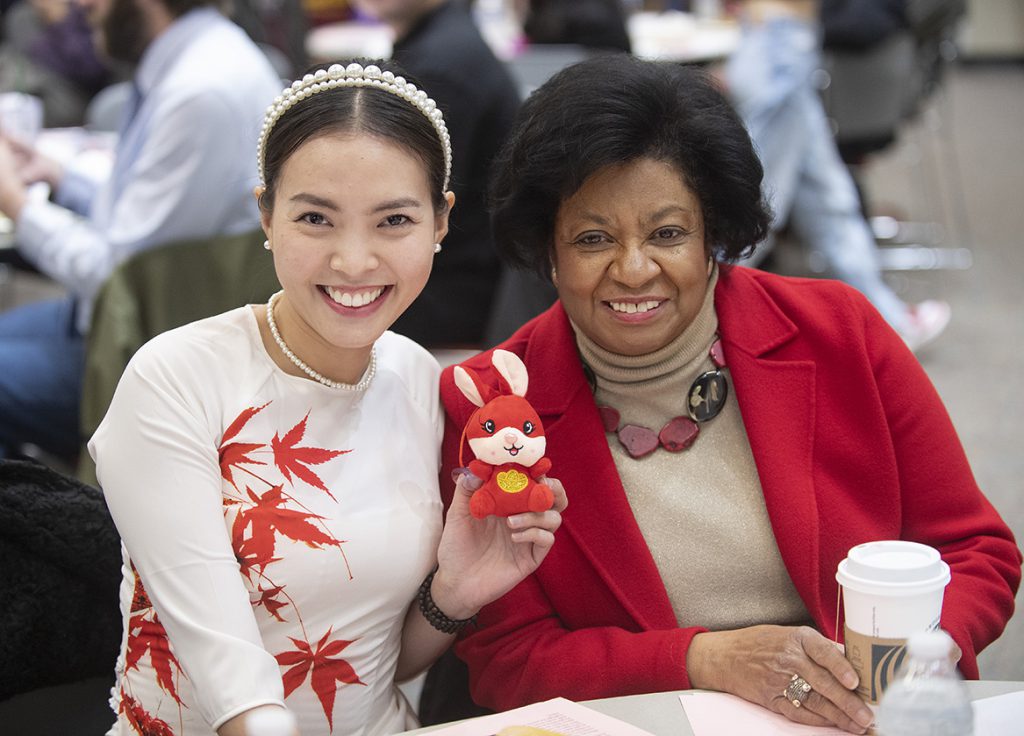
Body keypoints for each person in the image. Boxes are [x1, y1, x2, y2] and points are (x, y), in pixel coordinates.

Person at [437, 55, 1021, 734]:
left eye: (667, 234)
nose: (633, 270)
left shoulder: (841, 332)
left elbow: (976, 551)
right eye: (593, 239)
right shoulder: (492, 402)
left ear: (713, 232)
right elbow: (509, 656)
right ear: (549, 250)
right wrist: (704, 658)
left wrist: (913, 661)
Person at [89, 58, 565, 736]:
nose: (353, 262)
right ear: (266, 214)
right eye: (316, 218)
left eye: (393, 220)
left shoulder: (417, 381)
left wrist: (455, 592)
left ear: (440, 222)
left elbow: (379, 665)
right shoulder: (177, 379)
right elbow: (232, 682)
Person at [0, 0, 281, 462]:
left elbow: (112, 274)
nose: (81, 5)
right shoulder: (194, 57)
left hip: (141, 351)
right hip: (121, 318)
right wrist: (58, 177)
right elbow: (139, 218)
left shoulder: (200, 91)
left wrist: (16, 203)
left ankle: (51, 521)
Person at [723, 0, 951, 352]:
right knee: (760, 201)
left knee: (828, 197)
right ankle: (695, 310)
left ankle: (887, 319)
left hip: (786, 40)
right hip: (778, 42)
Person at [349, 0, 521, 347]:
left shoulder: (443, 66)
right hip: (458, 276)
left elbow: (403, 203)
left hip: (450, 295)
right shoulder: (444, 41)